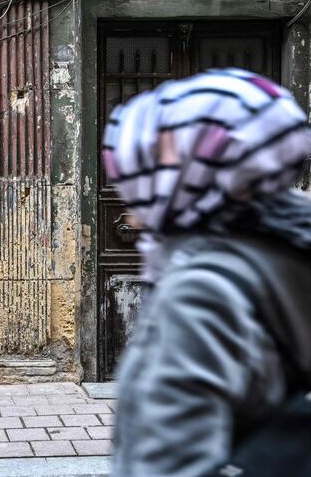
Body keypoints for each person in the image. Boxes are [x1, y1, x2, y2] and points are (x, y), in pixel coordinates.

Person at [105, 68, 311, 476]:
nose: (140, 171)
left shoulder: (201, 290)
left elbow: (162, 464)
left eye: (161, 154)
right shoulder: (291, 239)